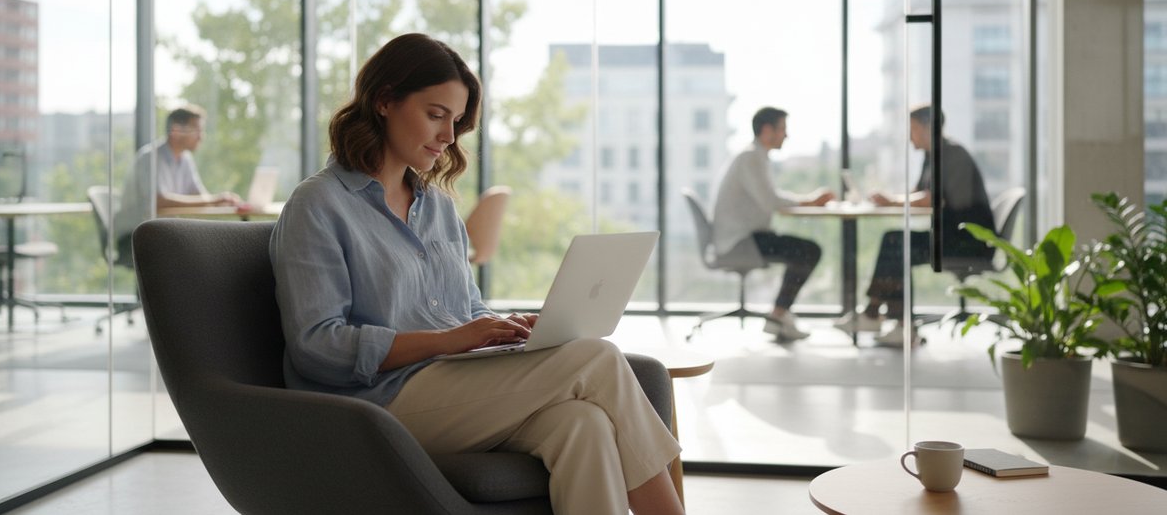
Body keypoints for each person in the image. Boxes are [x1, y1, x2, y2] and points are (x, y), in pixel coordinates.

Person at [269, 33, 683, 515]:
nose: (448, 136)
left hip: (451, 388)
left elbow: (464, 309)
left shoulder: (438, 207)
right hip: (373, 406)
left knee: (582, 423)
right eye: (435, 114)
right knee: (598, 359)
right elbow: (317, 345)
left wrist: (500, 329)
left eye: (457, 121)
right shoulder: (318, 205)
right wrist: (448, 340)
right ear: (384, 101)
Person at [835, 104, 996, 344]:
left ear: (926, 128)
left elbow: (932, 198)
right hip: (950, 237)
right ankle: (891, 321)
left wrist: (892, 201)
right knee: (895, 240)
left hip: (968, 242)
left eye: (912, 129)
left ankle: (884, 318)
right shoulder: (933, 156)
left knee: (898, 243)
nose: (909, 136)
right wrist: (891, 200)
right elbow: (920, 193)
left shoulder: (952, 155)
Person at [710, 106, 835, 341]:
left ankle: (779, 315)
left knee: (805, 250)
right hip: (741, 242)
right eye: (782, 129)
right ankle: (778, 316)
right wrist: (810, 201)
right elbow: (771, 201)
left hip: (746, 237)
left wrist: (808, 202)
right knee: (809, 251)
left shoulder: (754, 157)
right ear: (767, 130)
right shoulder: (751, 158)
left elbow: (770, 198)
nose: (786, 135)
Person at [112, 104, 242, 262]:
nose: (201, 137)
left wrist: (222, 202)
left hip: (162, 233)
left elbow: (199, 197)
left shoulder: (185, 159)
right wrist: (213, 200)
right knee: (195, 256)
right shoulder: (150, 158)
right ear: (175, 130)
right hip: (134, 236)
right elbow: (159, 202)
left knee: (211, 251)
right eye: (197, 130)